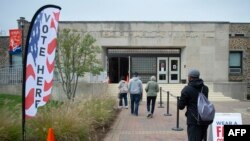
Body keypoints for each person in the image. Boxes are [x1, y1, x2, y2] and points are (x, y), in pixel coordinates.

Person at [178, 69, 209, 141]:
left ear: (190, 77)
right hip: (204, 118)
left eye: (188, 76)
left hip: (193, 120)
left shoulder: (187, 89)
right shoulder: (205, 88)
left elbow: (180, 106)